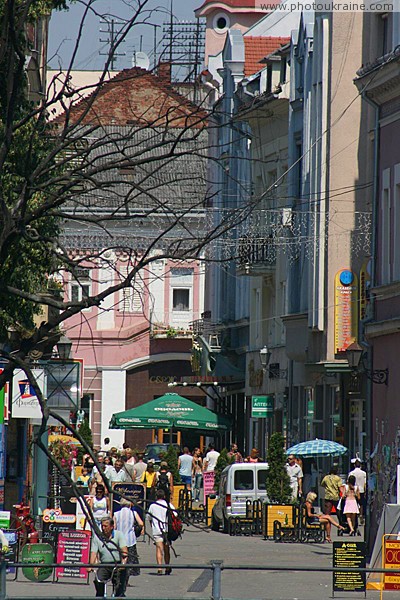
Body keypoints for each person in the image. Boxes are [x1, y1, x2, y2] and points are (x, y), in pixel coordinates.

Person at [88, 516, 128, 597]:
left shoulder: (119, 535)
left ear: (112, 527)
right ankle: (100, 596)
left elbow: (125, 552)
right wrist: (90, 565)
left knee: (119, 585)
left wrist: (123, 564)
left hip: (117, 564)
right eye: (102, 526)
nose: (103, 528)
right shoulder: (98, 537)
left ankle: (119, 594)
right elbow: (93, 553)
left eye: (105, 526)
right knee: (98, 580)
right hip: (104, 565)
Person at [114, 498, 144, 584]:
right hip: (130, 539)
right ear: (129, 504)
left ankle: (119, 578)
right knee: (129, 560)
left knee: (120, 559)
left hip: (119, 540)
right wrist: (136, 529)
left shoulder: (116, 514)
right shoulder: (133, 513)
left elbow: (114, 527)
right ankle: (126, 579)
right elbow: (141, 523)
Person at [147, 489, 175, 575]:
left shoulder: (152, 506)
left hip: (157, 529)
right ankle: (167, 566)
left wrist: (152, 525)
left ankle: (159, 567)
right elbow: (175, 515)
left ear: (156, 496)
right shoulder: (168, 505)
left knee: (159, 549)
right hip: (167, 530)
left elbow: (149, 518)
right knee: (167, 550)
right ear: (164, 496)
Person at [349, 458, 367, 524]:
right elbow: (365, 483)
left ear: (354, 465)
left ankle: (355, 516)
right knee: (361, 504)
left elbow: (349, 482)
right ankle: (361, 515)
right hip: (361, 490)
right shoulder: (364, 473)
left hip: (354, 490)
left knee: (355, 504)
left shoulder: (351, 473)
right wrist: (365, 491)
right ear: (360, 465)